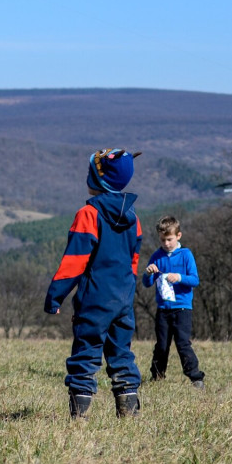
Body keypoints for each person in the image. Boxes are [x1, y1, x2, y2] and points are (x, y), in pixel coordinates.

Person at [44, 149, 144, 419]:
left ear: (98, 180)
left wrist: (56, 295)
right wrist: (127, 290)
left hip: (94, 301)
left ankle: (80, 416)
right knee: (121, 353)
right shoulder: (133, 218)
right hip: (123, 299)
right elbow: (133, 262)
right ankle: (128, 411)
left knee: (86, 354)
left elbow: (74, 261)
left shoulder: (88, 214)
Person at [142, 215, 206, 389]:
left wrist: (179, 277)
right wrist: (148, 273)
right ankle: (157, 376)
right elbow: (146, 283)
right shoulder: (157, 256)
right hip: (163, 309)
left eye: (169, 239)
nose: (166, 243)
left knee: (183, 344)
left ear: (178, 236)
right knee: (161, 345)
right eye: (163, 240)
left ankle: (196, 377)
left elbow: (194, 280)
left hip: (182, 308)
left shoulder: (186, 255)